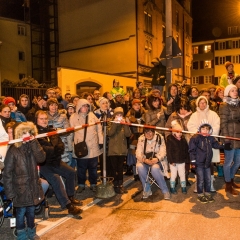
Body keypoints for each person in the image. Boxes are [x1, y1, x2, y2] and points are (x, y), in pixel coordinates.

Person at [3, 121, 46, 239]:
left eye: (29, 132)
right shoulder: (13, 150)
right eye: (24, 133)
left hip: (32, 187)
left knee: (31, 212)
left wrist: (34, 142)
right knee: (21, 213)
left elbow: (41, 158)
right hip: (20, 189)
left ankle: (31, 232)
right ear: (19, 135)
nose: (27, 135)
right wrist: (10, 192)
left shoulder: (33, 147)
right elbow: (7, 173)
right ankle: (21, 234)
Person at [36, 110, 82, 215]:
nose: (44, 121)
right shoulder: (35, 134)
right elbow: (41, 149)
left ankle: (70, 196)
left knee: (71, 172)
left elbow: (60, 144)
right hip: (44, 164)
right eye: (41, 119)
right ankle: (68, 205)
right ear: (37, 120)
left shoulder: (51, 130)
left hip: (55, 160)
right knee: (56, 178)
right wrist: (54, 149)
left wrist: (56, 149)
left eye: (45, 118)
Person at [187, 96, 220, 193]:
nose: (203, 104)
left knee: (210, 163)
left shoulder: (213, 114)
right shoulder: (194, 115)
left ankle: (210, 183)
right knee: (199, 164)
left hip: (210, 142)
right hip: (199, 145)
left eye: (204, 102)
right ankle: (199, 184)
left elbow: (216, 125)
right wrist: (198, 135)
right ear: (197, 104)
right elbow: (190, 126)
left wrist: (209, 134)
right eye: (200, 102)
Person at [70, 99, 103, 193]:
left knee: (93, 167)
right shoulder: (73, 117)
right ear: (79, 107)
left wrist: (100, 141)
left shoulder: (92, 116)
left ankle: (93, 184)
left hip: (93, 146)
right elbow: (70, 132)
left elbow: (99, 128)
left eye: (87, 106)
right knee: (81, 168)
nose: (85, 108)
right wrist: (70, 145)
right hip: (81, 146)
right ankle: (81, 184)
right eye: (83, 106)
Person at [189, 120, 227, 203]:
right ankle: (200, 195)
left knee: (208, 179)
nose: (205, 131)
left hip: (207, 163)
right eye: (203, 129)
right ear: (199, 129)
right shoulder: (195, 138)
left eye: (207, 129)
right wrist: (193, 161)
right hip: (199, 163)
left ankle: (207, 193)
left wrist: (224, 145)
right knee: (201, 179)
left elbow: (216, 145)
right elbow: (192, 150)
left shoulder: (210, 138)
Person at [136, 128, 170, 200]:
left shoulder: (160, 137)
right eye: (146, 132)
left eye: (150, 132)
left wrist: (157, 159)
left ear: (154, 132)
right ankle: (147, 190)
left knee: (155, 168)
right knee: (139, 166)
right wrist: (144, 160)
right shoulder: (141, 139)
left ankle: (165, 191)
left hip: (158, 161)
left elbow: (163, 151)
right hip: (146, 160)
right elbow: (138, 152)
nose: (148, 134)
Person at [219, 84, 240, 195]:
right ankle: (228, 184)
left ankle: (231, 180)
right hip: (229, 138)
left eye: (236, 90)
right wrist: (226, 138)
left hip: (238, 137)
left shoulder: (238, 105)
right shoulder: (224, 105)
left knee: (237, 162)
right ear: (228, 93)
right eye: (232, 90)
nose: (235, 92)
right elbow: (223, 123)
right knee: (228, 162)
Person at [108, 107, 131, 194]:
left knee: (120, 168)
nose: (119, 116)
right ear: (114, 116)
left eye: (121, 115)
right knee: (114, 169)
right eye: (117, 115)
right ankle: (115, 185)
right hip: (113, 150)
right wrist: (115, 124)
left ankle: (120, 185)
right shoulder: (111, 123)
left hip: (122, 150)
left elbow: (128, 134)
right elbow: (110, 133)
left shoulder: (123, 123)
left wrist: (125, 125)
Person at [167, 120, 190, 194]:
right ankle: (172, 187)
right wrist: (171, 161)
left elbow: (186, 150)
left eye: (180, 132)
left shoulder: (183, 140)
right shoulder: (170, 140)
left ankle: (183, 187)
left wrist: (187, 159)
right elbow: (169, 151)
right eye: (177, 132)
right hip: (173, 162)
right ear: (173, 132)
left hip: (181, 161)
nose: (179, 134)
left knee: (182, 174)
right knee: (173, 175)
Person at [46, 98, 72, 164]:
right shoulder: (44, 116)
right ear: (48, 106)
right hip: (49, 145)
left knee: (63, 165)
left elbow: (68, 131)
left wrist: (59, 131)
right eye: (51, 105)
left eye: (55, 105)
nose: (54, 107)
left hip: (61, 144)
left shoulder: (63, 116)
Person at [126, 99, 146, 180]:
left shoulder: (144, 113)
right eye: (135, 105)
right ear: (132, 106)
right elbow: (127, 127)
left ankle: (142, 172)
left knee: (142, 154)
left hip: (143, 136)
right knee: (133, 155)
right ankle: (135, 174)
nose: (137, 106)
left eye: (139, 104)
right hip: (133, 137)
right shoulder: (129, 115)